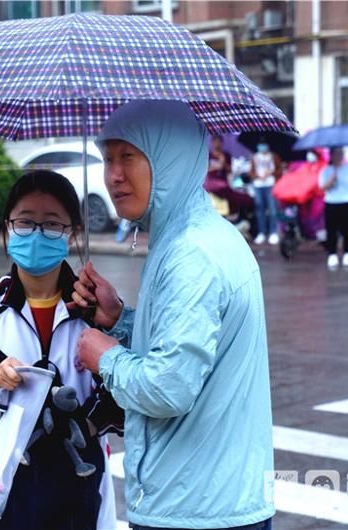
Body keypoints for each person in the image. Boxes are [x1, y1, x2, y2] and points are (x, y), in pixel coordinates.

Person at [71, 100, 274, 530]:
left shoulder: (191, 255)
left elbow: (170, 388)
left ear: (170, 157)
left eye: (129, 157)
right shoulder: (197, 234)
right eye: (107, 158)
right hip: (212, 497)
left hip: (196, 509)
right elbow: (190, 348)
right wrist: (120, 320)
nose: (113, 175)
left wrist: (104, 355)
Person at [0, 170, 123, 530]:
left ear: (74, 233)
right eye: (25, 222)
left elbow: (127, 396)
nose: (37, 234)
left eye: (52, 225)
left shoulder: (95, 306)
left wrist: (87, 422)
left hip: (79, 488)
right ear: (7, 229)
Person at [319, 146, 348, 269]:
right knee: (331, 230)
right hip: (331, 203)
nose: (339, 156)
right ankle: (332, 253)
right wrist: (332, 178)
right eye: (337, 154)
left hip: (347, 202)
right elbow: (322, 188)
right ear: (331, 156)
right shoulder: (326, 170)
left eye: (341, 154)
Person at [204, 135, 253, 235]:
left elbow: (230, 170)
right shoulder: (208, 155)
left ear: (222, 143)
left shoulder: (226, 155)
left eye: (219, 142)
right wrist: (216, 167)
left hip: (224, 185)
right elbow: (205, 170)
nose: (217, 144)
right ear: (212, 143)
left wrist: (223, 164)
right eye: (215, 142)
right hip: (212, 185)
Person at [249, 141, 282, 245]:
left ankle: (273, 232)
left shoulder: (274, 156)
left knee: (272, 209)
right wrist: (258, 176)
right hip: (258, 185)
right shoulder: (255, 157)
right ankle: (262, 232)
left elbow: (279, 170)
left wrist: (270, 173)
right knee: (260, 209)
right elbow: (251, 172)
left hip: (270, 184)